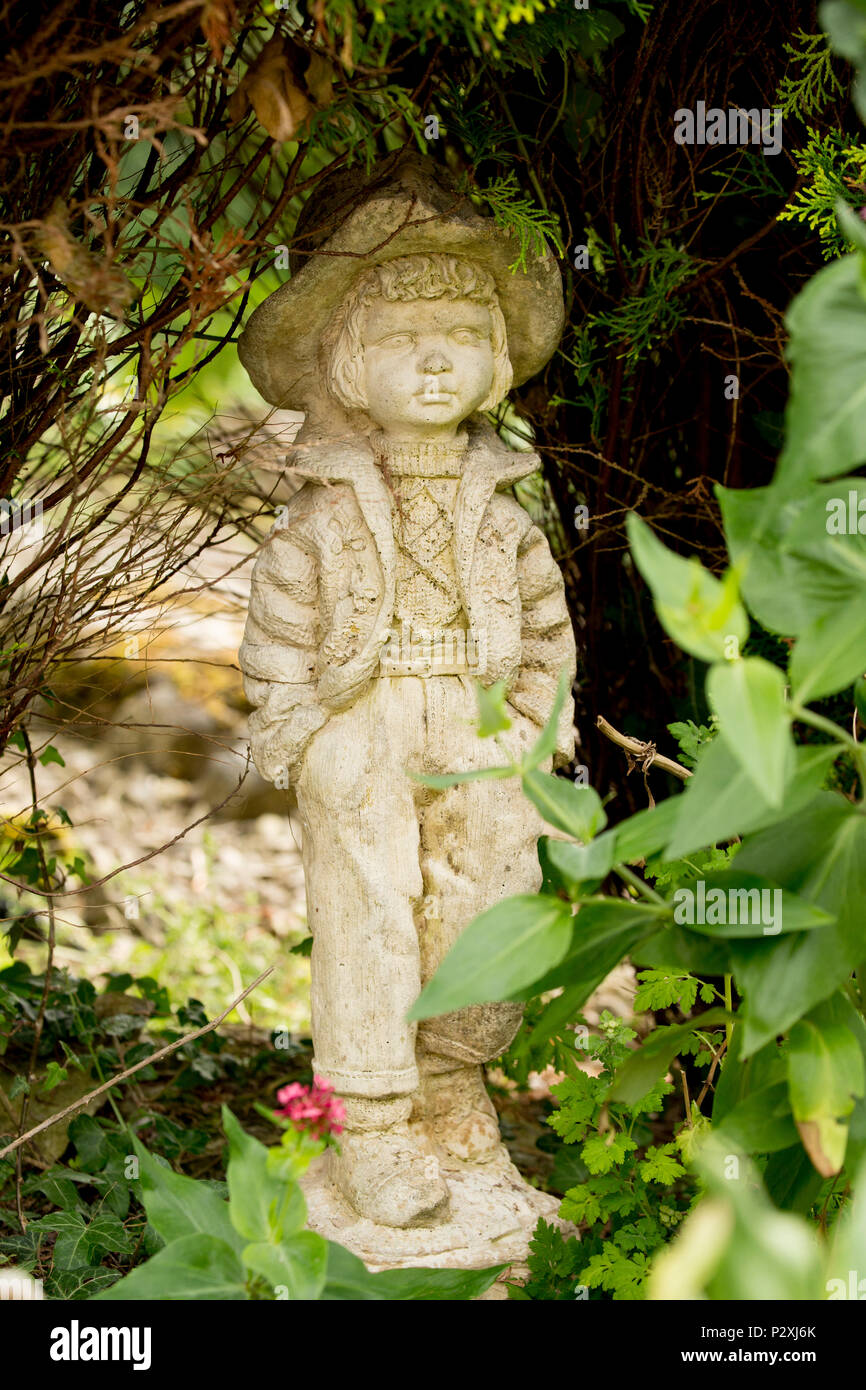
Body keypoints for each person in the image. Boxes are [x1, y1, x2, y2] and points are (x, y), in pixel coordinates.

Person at [238, 154, 576, 1229]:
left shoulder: (500, 512)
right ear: (344, 365)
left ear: (496, 369)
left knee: (488, 895)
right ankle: (375, 1124)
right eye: (398, 341)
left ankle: (456, 1089)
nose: (433, 363)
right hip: (360, 721)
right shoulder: (326, 513)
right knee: (368, 904)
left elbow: (540, 629)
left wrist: (536, 729)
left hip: (474, 724)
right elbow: (282, 623)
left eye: (462, 340)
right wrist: (295, 731)